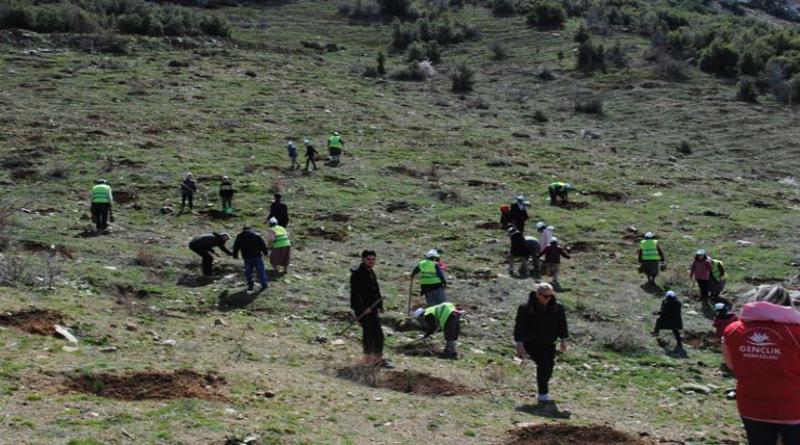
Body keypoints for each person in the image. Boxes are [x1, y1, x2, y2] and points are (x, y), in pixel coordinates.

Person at [722, 285, 800, 444]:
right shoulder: (796, 332)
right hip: (793, 406)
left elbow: (732, 366)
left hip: (751, 405)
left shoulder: (732, 330)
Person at [514, 283, 569, 404]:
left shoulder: (557, 308)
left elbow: (562, 324)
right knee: (543, 364)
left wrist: (563, 339)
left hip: (549, 342)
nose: (548, 298)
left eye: (550, 296)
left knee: (549, 367)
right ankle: (543, 394)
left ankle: (543, 388)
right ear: (537, 295)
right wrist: (519, 344)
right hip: (532, 342)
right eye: (545, 296)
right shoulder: (526, 308)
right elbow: (519, 327)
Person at [350, 250, 392, 368]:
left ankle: (377, 358)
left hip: (373, 308)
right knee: (368, 333)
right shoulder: (357, 274)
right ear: (363, 259)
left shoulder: (371, 272)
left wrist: (380, 305)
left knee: (378, 334)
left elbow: (376, 290)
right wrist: (363, 308)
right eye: (369, 259)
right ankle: (368, 359)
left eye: (373, 259)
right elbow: (355, 294)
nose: (371, 261)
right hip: (363, 309)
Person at [232, 226, 269, 292]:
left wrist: (235, 255)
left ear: (243, 230)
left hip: (247, 258)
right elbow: (262, 245)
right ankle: (264, 285)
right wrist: (265, 253)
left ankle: (250, 284)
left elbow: (236, 247)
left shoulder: (240, 237)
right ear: (250, 230)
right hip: (257, 256)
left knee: (248, 272)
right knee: (261, 271)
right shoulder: (256, 236)